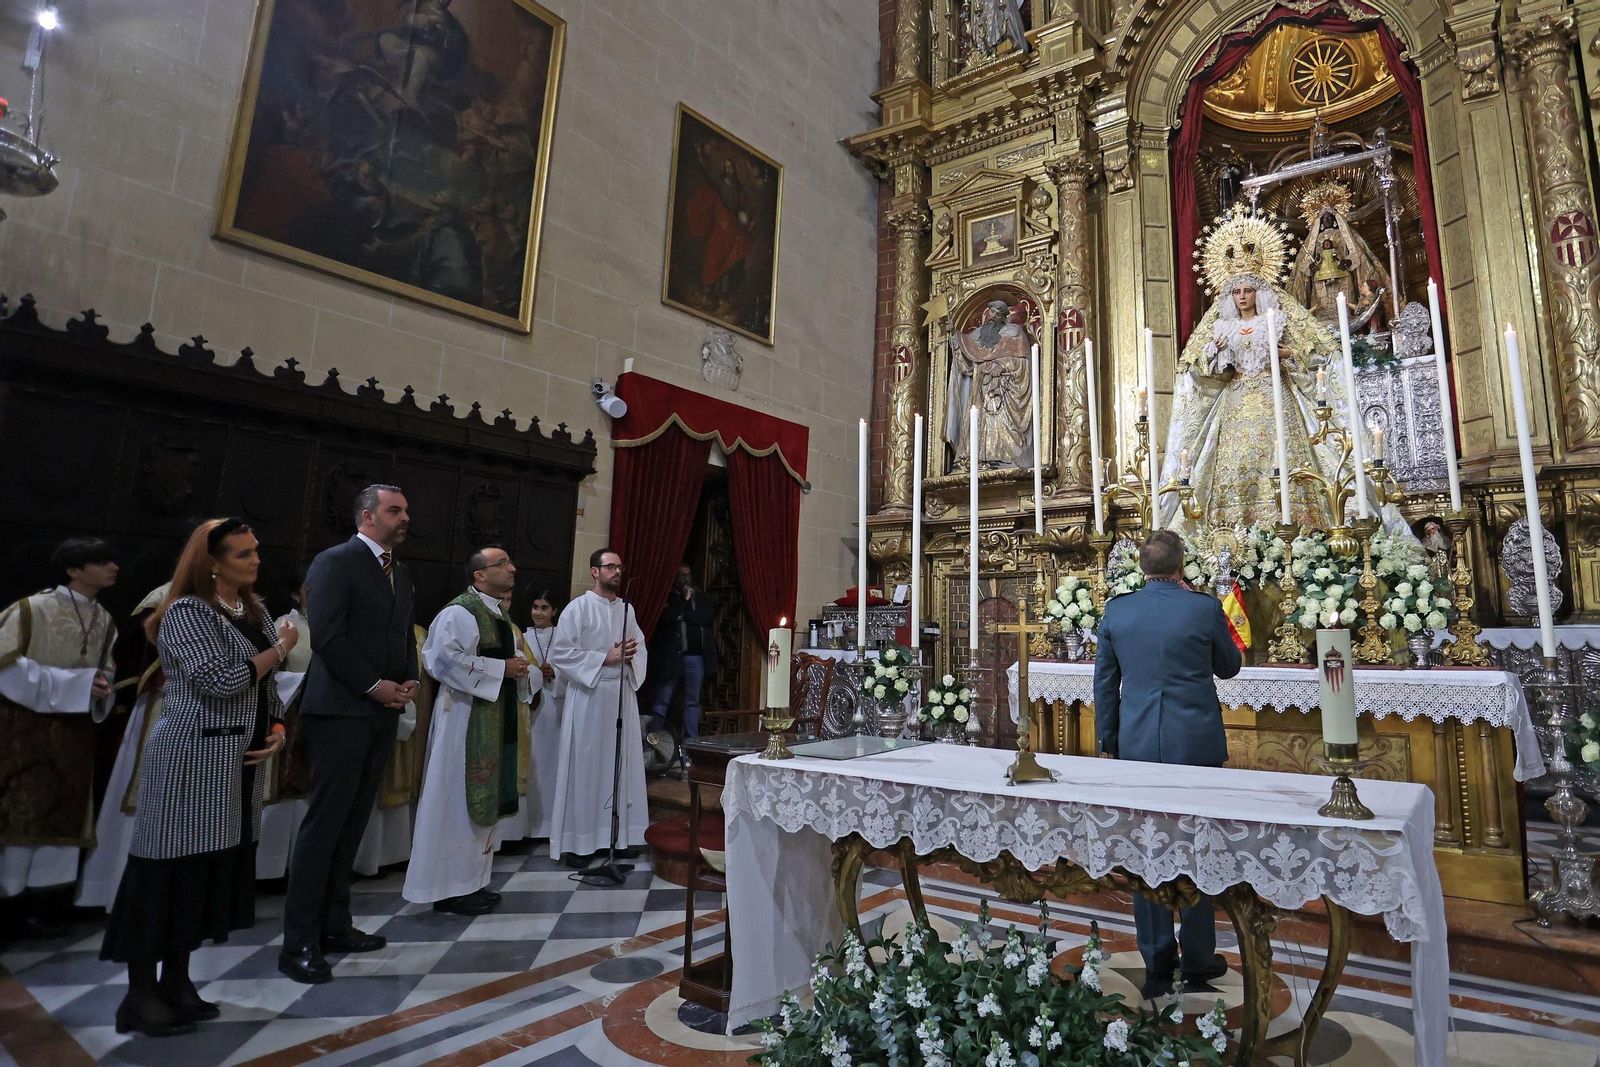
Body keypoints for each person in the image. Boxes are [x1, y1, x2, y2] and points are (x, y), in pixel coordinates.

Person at [100, 519, 296, 1036]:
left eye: (255, 551)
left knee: (202, 877)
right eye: (242, 554)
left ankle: (177, 982)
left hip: (239, 763)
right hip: (192, 759)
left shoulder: (255, 611)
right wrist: (280, 648)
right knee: (165, 874)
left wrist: (277, 728)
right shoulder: (186, 612)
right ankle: (139, 995)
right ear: (211, 562)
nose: (256, 561)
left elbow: (267, 685)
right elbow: (219, 681)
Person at [1093, 530, 1242, 1001]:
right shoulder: (1204, 608)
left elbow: (1105, 684)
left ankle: (1157, 955)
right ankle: (1197, 956)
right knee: (1199, 845)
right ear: (1181, 566)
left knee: (1146, 847)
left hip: (1137, 745)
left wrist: (1109, 742)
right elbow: (1229, 667)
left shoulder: (1118, 611)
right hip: (1195, 745)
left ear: (1142, 567)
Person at [280, 485, 418, 984]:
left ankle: (335, 924)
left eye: (405, 510)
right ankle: (298, 941)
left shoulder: (400, 573)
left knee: (352, 824)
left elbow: (404, 635)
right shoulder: (336, 562)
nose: (405, 518)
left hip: (379, 714)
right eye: (395, 510)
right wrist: (373, 685)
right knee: (325, 825)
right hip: (340, 711)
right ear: (367, 516)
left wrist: (408, 680)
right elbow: (328, 636)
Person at [0, 537, 119, 938]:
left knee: (65, 811)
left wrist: (100, 687)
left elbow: (106, 671)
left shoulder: (105, 619)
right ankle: (9, 904)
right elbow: (5, 665)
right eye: (102, 561)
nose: (114, 567)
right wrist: (75, 685)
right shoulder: (31, 609)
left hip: (75, 733)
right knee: (22, 811)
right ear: (73, 570)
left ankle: (47, 903)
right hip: (24, 728)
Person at [403, 547, 529, 914]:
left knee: (478, 804)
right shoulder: (459, 612)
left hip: (490, 715)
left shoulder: (498, 612)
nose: (511, 568)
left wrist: (519, 669)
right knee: (454, 801)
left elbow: (504, 663)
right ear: (479, 575)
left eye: (510, 561)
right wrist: (501, 669)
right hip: (462, 719)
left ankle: (471, 882)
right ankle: (446, 888)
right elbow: (440, 661)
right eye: (502, 563)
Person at [547, 548, 649, 868]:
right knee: (586, 769)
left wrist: (628, 657)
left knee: (621, 766)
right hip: (589, 697)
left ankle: (617, 837)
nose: (616, 572)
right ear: (595, 571)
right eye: (610, 567)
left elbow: (639, 648)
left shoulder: (627, 610)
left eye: (619, 567)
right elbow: (561, 653)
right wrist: (605, 658)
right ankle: (581, 843)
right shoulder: (577, 608)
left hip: (620, 695)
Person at [77, 580, 170, 910]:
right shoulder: (162, 598)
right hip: (162, 706)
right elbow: (135, 659)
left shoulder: (237, 602)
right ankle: (125, 890)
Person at [649, 564, 719, 738]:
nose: (685, 578)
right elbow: (668, 617)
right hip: (672, 657)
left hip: (695, 657)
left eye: (687, 574)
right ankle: (653, 738)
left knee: (692, 701)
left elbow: (706, 617)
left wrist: (686, 615)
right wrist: (684, 601)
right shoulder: (670, 597)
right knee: (663, 698)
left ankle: (691, 741)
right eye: (681, 575)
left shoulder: (700, 597)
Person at [523, 590, 563, 840]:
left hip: (556, 706)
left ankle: (552, 823)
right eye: (535, 607)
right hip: (532, 706)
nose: (538, 612)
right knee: (532, 762)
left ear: (554, 611)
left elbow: (573, 667)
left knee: (554, 762)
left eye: (544, 608)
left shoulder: (563, 636)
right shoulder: (523, 637)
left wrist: (555, 672)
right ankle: (530, 825)